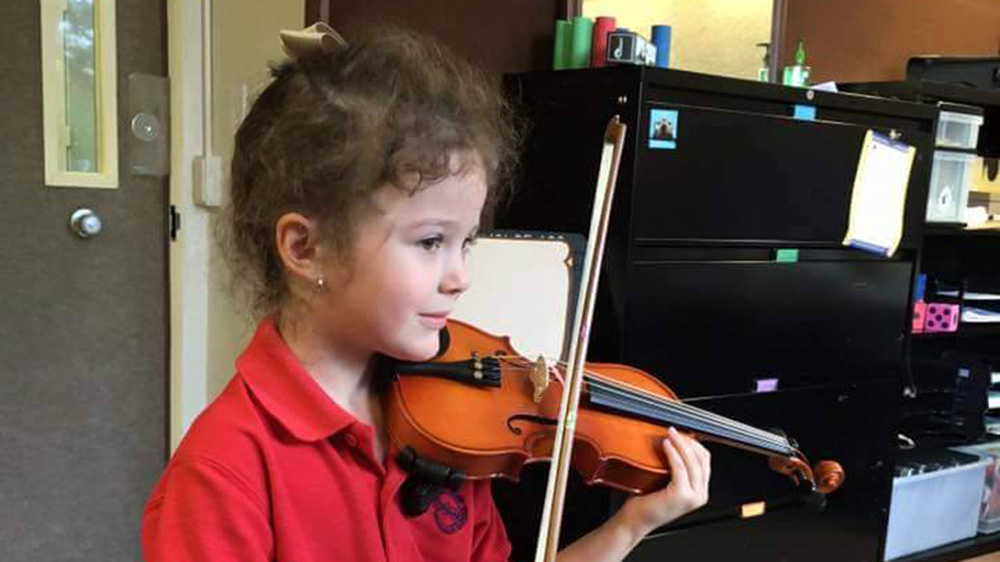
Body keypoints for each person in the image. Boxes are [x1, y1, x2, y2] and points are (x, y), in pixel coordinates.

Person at [141, 22, 711, 562]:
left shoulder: (447, 422)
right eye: (431, 241)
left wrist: (630, 526)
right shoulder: (222, 476)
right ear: (304, 248)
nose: (459, 276)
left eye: (466, 244)